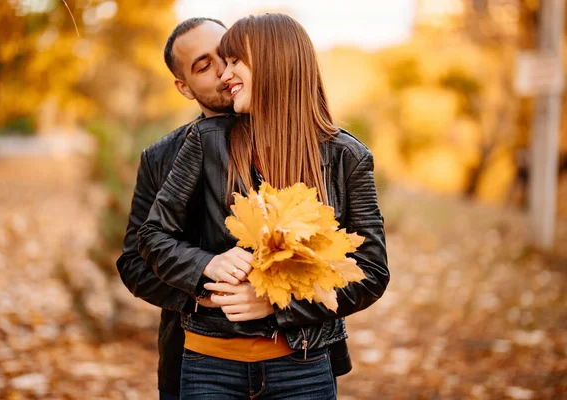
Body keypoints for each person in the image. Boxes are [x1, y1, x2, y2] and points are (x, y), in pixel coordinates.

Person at [138, 13, 389, 399]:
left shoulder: (347, 157)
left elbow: (371, 270)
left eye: (235, 61)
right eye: (216, 65)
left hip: (302, 367)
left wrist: (277, 303)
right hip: (211, 366)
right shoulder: (206, 142)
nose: (225, 75)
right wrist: (205, 266)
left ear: (274, 62)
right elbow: (151, 236)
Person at [115, 17, 238, 400]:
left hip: (292, 363)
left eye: (227, 54)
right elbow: (134, 263)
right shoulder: (160, 158)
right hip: (191, 358)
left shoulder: (290, 140)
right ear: (184, 87)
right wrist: (200, 289)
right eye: (203, 66)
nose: (223, 71)